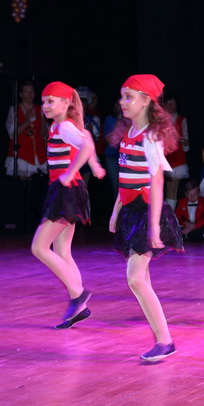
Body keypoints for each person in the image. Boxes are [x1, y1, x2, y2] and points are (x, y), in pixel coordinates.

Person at [108, 74, 184, 362]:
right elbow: (127, 178)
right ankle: (163, 340)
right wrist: (116, 210)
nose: (122, 101)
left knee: (135, 278)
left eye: (128, 97)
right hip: (132, 212)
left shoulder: (150, 135)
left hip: (147, 212)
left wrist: (154, 225)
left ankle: (165, 341)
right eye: (122, 96)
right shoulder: (129, 133)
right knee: (142, 280)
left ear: (146, 101)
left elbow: (156, 180)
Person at [31, 81, 105, 329]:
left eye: (51, 101)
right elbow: (87, 138)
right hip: (66, 190)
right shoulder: (60, 126)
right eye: (44, 102)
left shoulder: (64, 126)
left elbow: (87, 144)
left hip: (67, 191)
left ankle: (78, 295)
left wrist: (73, 171)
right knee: (62, 251)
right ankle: (79, 308)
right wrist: (94, 165)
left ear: (65, 103)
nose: (45, 106)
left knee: (39, 247)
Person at [5, 81, 48, 178]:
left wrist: (42, 119)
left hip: (39, 157)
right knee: (22, 184)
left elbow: (45, 135)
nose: (30, 94)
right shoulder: (14, 110)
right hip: (22, 157)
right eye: (26, 92)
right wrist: (27, 120)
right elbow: (12, 134)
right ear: (21, 94)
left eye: (32, 92)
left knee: (39, 185)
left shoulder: (40, 109)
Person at [163, 93, 189, 209]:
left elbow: (186, 142)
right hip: (163, 157)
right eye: (167, 103)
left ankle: (170, 215)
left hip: (177, 157)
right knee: (161, 189)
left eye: (172, 102)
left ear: (176, 105)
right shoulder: (160, 120)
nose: (170, 105)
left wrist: (181, 141)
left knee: (172, 189)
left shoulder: (181, 120)